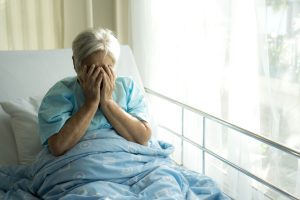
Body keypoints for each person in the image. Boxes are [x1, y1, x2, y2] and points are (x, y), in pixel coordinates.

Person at [38, 28, 152, 156]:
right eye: (92, 70)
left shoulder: (128, 88)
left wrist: (108, 103)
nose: (99, 76)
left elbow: (142, 138)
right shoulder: (61, 93)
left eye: (106, 69)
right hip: (81, 162)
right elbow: (58, 147)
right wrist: (90, 104)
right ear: (76, 64)